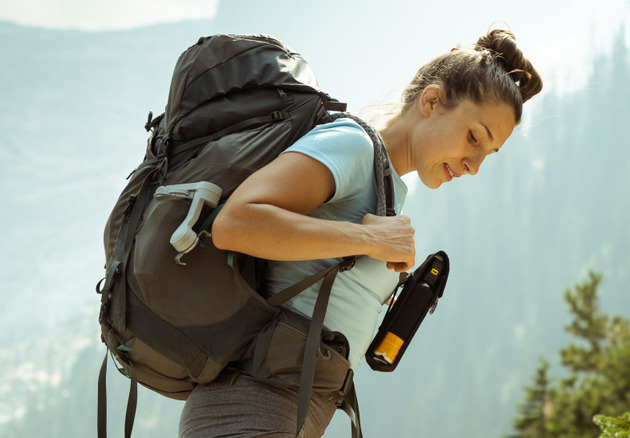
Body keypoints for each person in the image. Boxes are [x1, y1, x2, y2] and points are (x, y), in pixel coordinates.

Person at [178, 28, 543, 437]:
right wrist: (368, 240)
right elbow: (234, 223)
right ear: (432, 101)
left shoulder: (384, 185)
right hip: (249, 407)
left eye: (486, 155)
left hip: (288, 410)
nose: (473, 165)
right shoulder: (352, 146)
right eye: (473, 137)